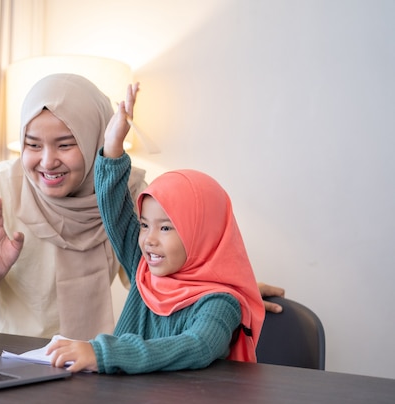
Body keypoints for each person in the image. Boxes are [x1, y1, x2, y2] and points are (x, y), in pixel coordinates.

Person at [0, 74, 283, 341]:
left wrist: (218, 289)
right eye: (33, 144)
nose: (47, 161)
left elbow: (151, 275)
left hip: (78, 364)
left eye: (65, 144)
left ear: (93, 137)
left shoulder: (128, 195)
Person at [47, 84, 265, 373]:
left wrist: (103, 353)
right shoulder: (144, 270)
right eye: (144, 225)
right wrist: (113, 146)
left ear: (202, 236)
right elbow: (113, 207)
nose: (148, 240)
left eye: (166, 229)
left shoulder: (220, 303)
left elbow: (197, 346)